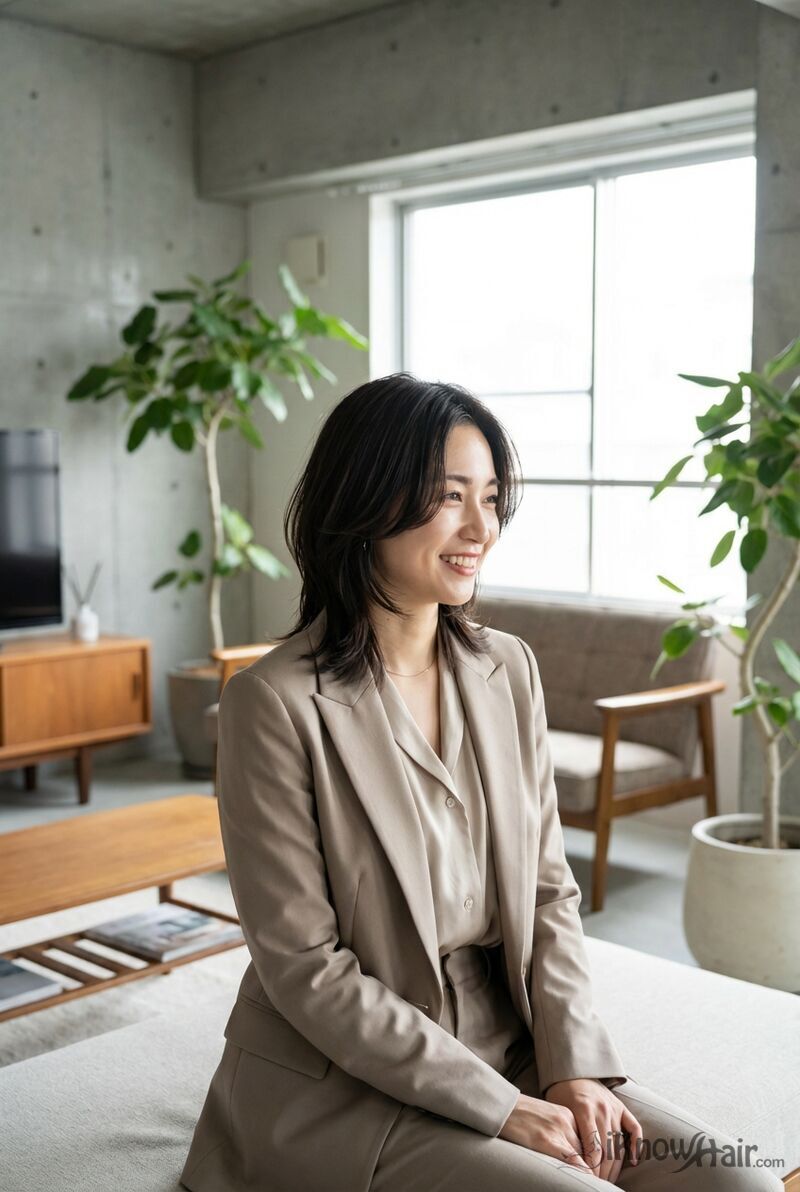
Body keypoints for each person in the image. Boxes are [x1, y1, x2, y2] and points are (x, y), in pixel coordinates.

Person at [180, 374, 783, 1192]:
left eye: (492, 497)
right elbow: (305, 970)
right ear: (365, 502)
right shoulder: (273, 704)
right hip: (353, 1085)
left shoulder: (508, 668)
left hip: (512, 1039)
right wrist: (500, 1108)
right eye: (449, 496)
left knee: (732, 1182)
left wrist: (573, 1066)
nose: (481, 527)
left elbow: (546, 892)